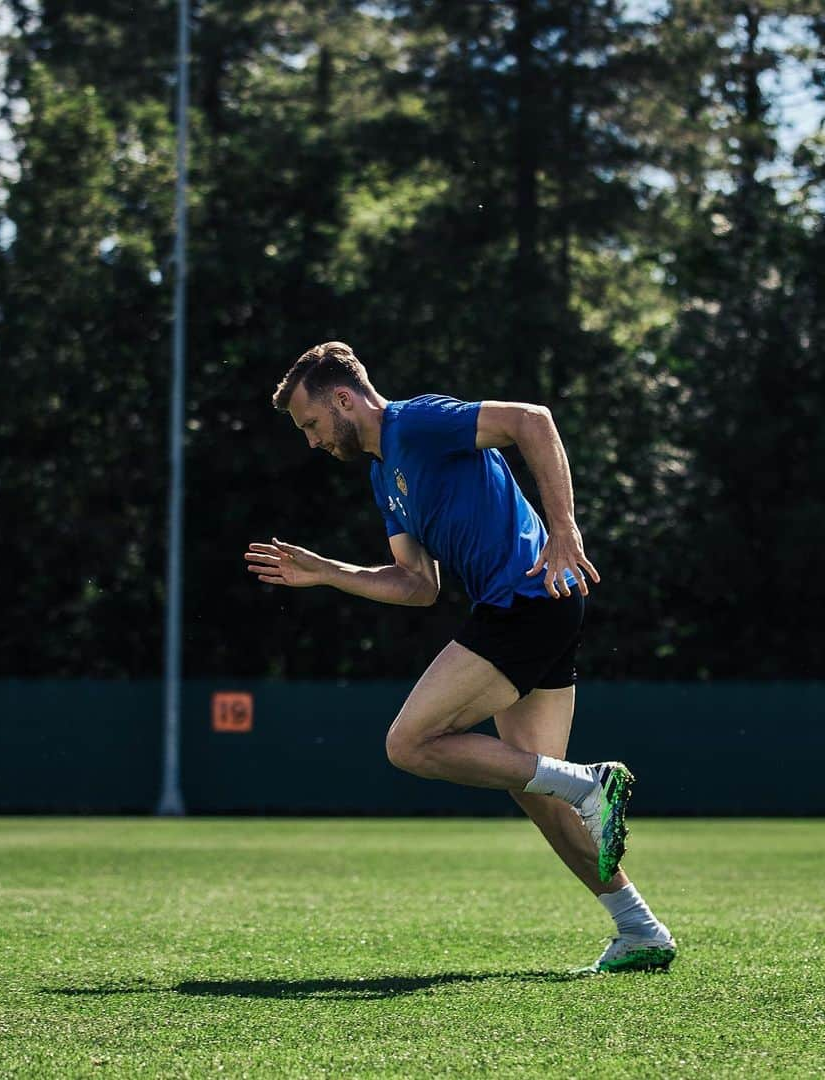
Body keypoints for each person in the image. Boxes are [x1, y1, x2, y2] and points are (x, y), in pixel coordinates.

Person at [244, 340, 676, 974]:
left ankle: (592, 783)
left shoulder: (415, 422)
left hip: (525, 601)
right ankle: (640, 927)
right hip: (534, 607)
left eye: (311, 424)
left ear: (342, 398)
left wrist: (564, 527)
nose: (311, 441)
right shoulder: (380, 474)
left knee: (409, 744)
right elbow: (417, 585)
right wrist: (329, 573)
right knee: (533, 786)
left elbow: (533, 420)